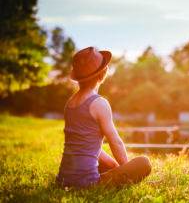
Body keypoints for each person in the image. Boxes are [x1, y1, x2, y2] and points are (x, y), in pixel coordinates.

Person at [56, 46, 151, 189]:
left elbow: (86, 146)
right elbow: (116, 142)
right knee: (144, 163)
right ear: (103, 75)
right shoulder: (99, 103)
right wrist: (126, 170)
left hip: (63, 180)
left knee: (109, 165)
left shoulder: (70, 104)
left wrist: (114, 166)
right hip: (87, 184)